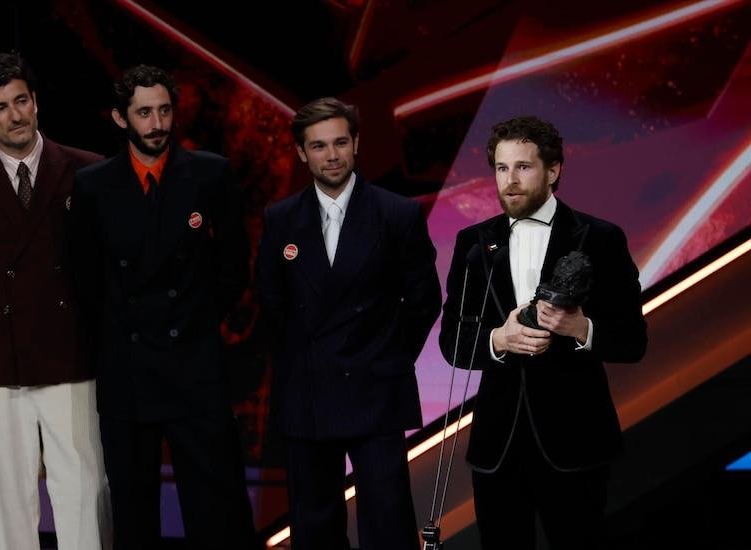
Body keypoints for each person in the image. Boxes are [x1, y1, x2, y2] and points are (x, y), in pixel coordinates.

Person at [70, 64, 256, 549]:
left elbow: (235, 263)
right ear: (120, 117)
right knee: (133, 512)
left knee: (217, 508)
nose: (157, 124)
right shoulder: (92, 186)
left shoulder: (210, 173)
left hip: (195, 364)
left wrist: (196, 319)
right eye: (145, 112)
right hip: (127, 370)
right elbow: (85, 278)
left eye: (164, 110)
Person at [439, 115, 647, 549]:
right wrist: (499, 340)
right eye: (501, 168)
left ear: (553, 171)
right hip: (498, 447)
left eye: (523, 167)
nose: (510, 181)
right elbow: (452, 343)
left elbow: (633, 341)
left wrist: (580, 328)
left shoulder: (601, 238)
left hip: (577, 442)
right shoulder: (472, 243)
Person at [0, 52, 110, 550]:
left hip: (71, 354)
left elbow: (99, 270)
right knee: (7, 496)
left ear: (36, 102)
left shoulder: (86, 171)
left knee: (82, 491)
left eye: (21, 102)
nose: (15, 116)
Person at [256, 97, 440, 549]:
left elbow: (424, 300)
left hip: (376, 388)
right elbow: (272, 304)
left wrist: (387, 357)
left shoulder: (397, 214)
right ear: (302, 153)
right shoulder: (280, 220)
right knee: (314, 525)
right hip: (308, 392)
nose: (331, 155)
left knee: (388, 522)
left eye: (340, 142)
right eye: (318, 146)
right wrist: (300, 365)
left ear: (357, 144)